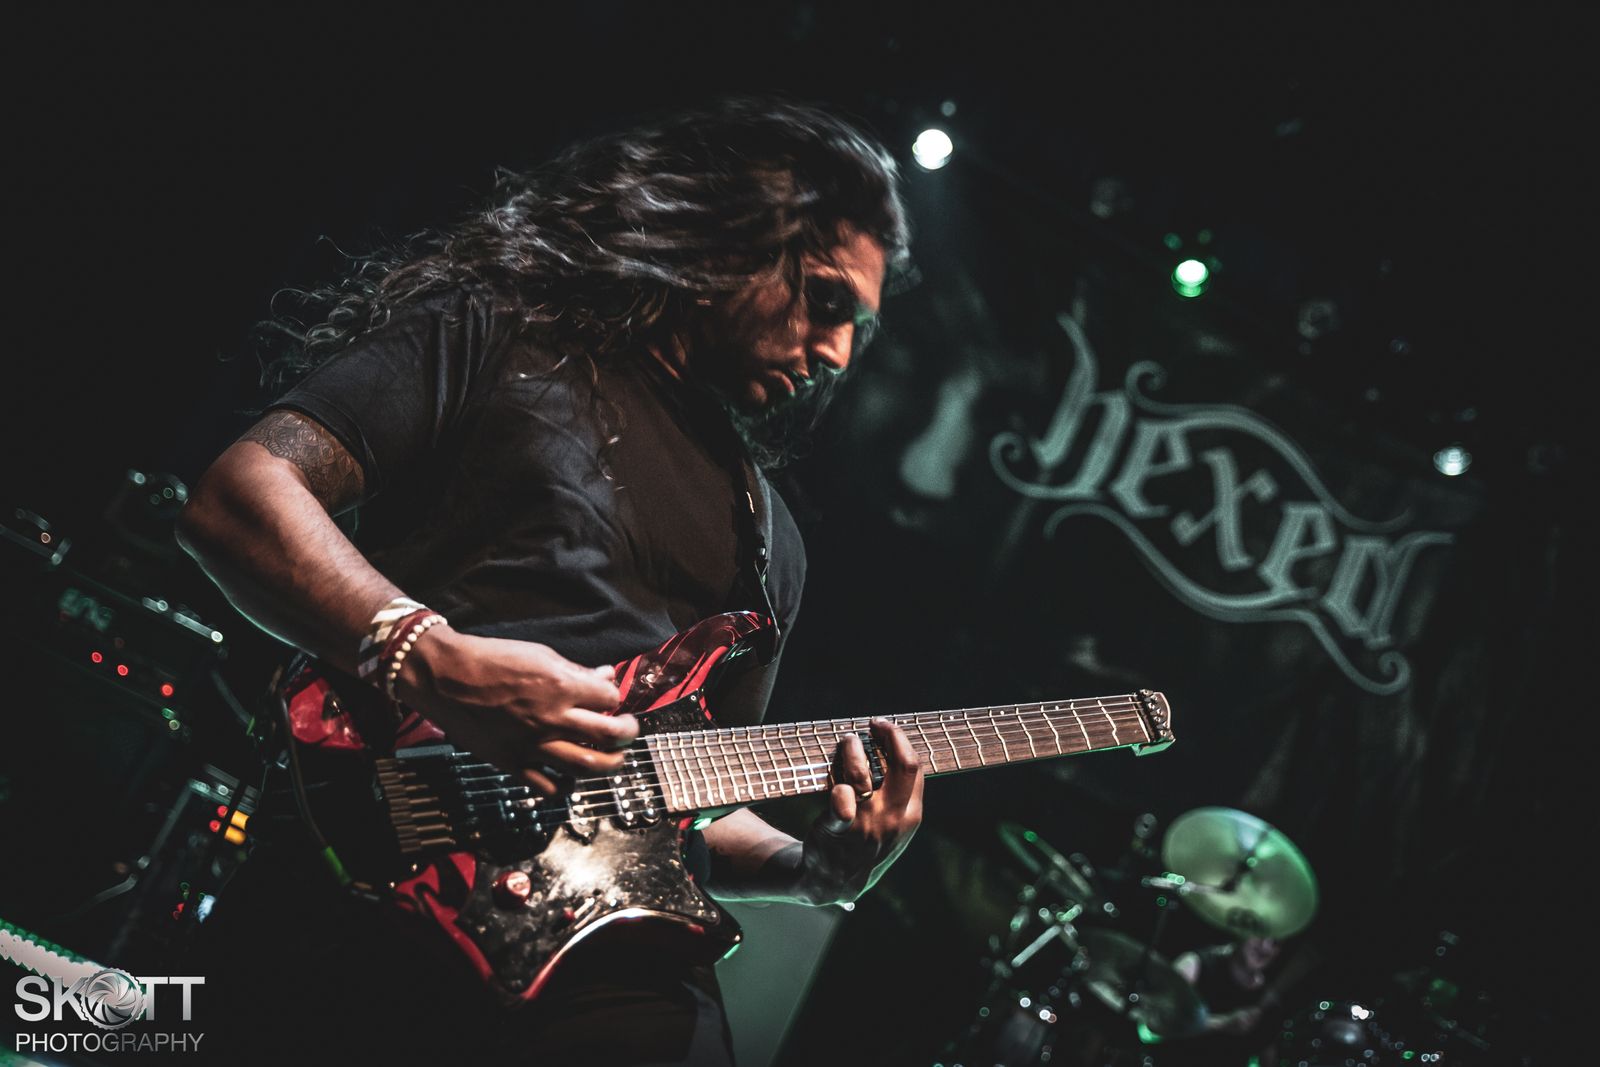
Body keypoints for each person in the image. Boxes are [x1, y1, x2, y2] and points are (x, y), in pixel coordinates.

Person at [173, 95, 921, 1066]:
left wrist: (809, 866)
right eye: (825, 301)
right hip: (373, 891)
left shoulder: (771, 539)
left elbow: (673, 785)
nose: (838, 354)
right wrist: (432, 659)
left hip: (613, 981)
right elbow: (240, 494)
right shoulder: (504, 335)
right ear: (736, 240)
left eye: (858, 327)